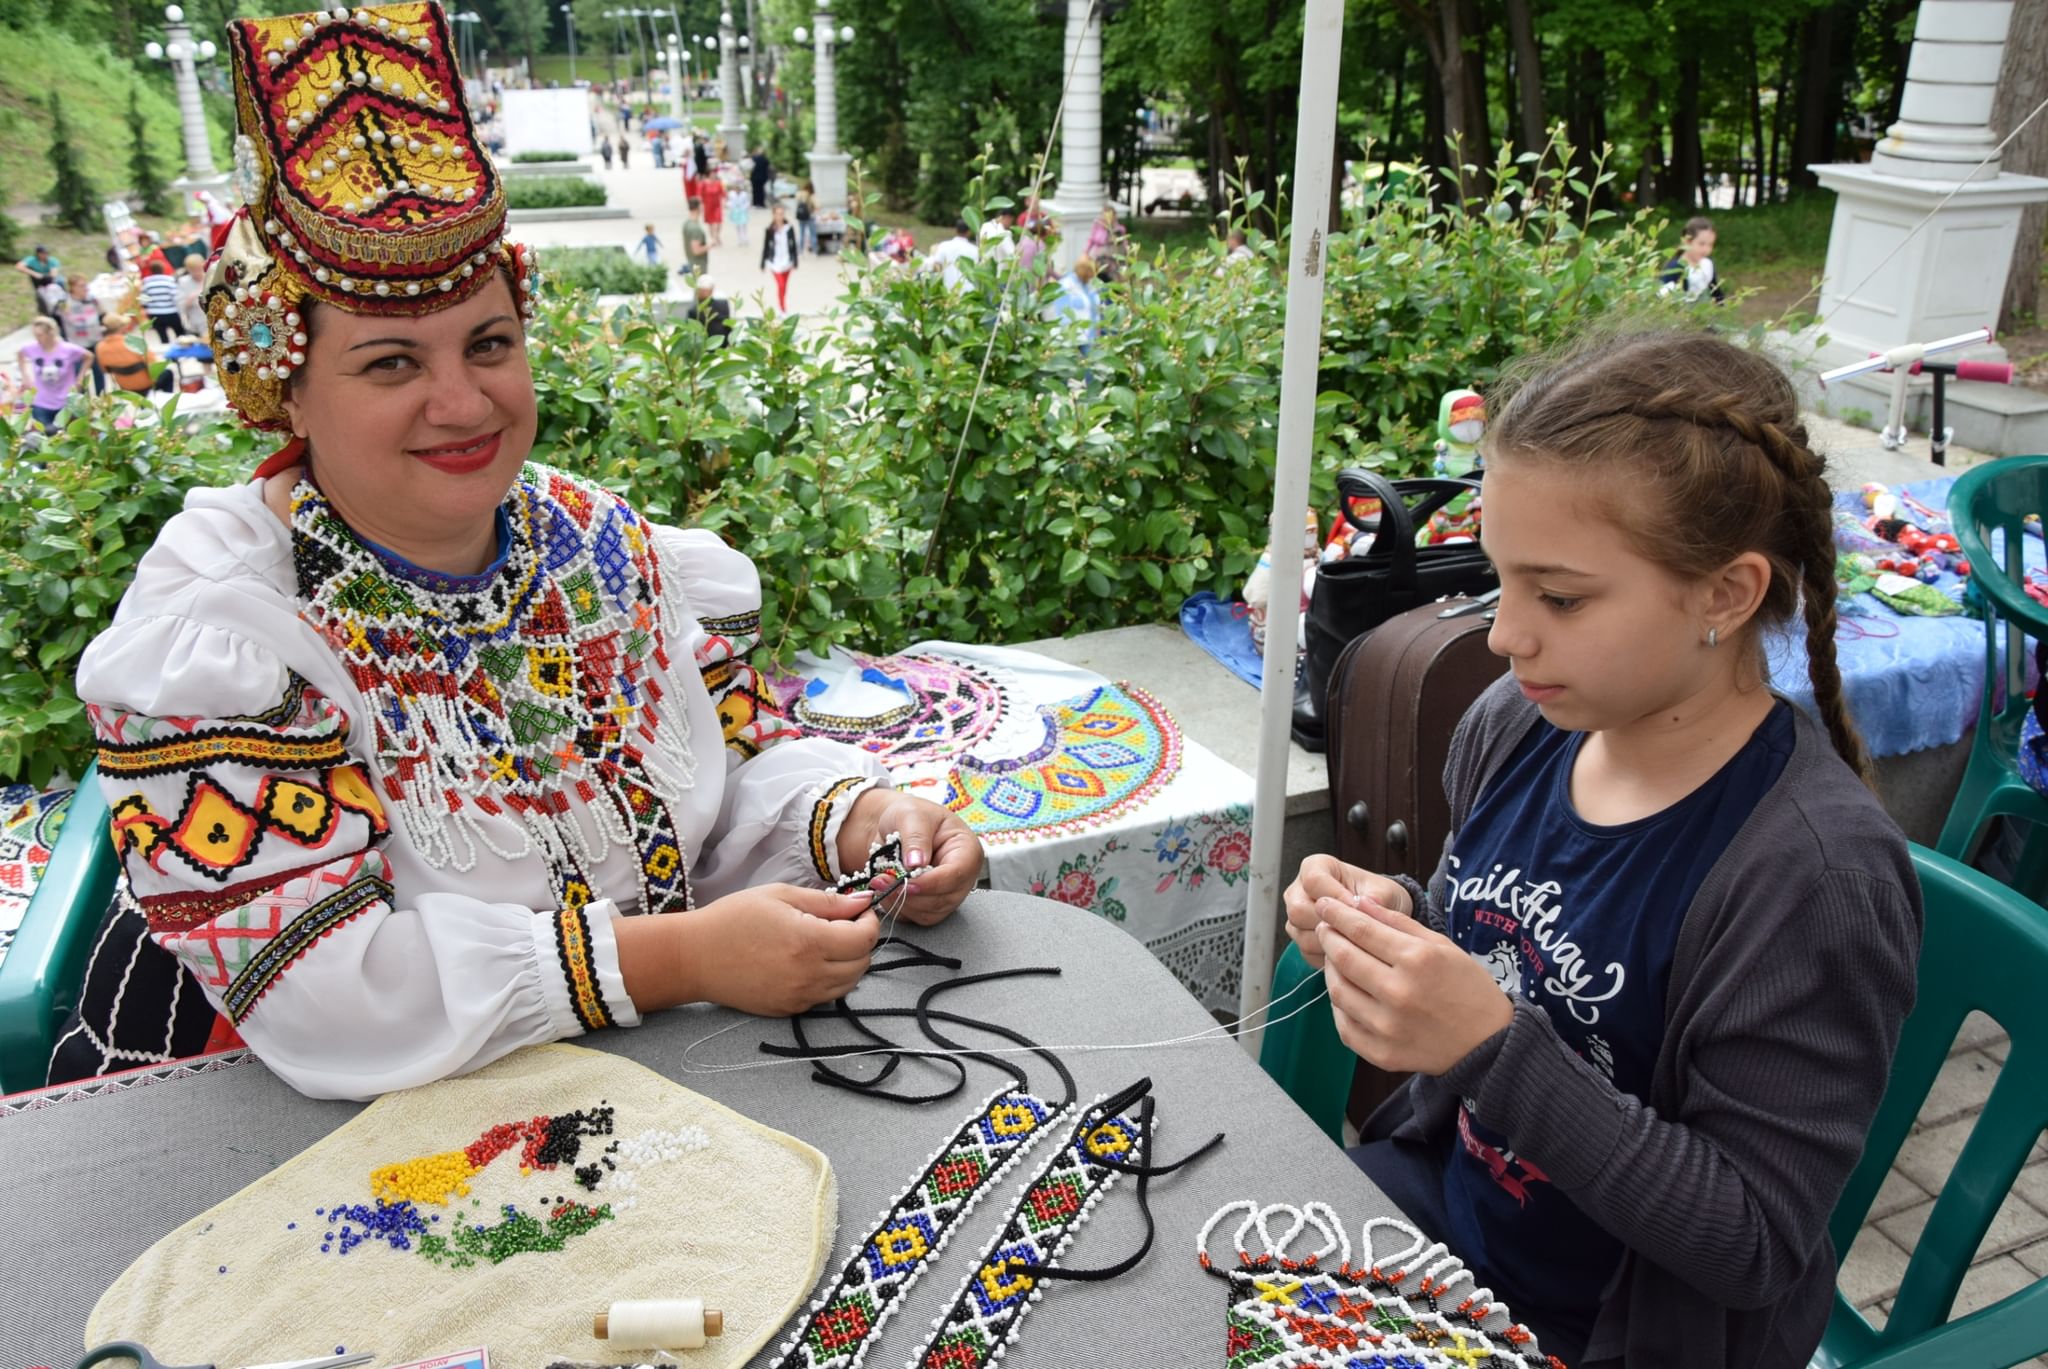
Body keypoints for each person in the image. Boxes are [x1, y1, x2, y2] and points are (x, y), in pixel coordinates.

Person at [52, 0, 981, 1102]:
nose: (462, 401)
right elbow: (317, 992)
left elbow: (716, 791)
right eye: (391, 364)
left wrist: (858, 822)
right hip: (300, 1127)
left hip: (614, 1085)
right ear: (282, 386)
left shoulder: (600, 545)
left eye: (489, 345)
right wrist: (679, 958)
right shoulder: (228, 632)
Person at [1284, 328, 1921, 1367]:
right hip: (1450, 1220)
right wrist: (1390, 918)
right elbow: (1487, 929)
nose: (1502, 635)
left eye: (1560, 597)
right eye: (1500, 581)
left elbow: (1752, 1238)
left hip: (1624, 1333)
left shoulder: (1812, 879)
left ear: (1724, 593)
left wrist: (1488, 1046)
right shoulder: (1515, 725)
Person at [15, 316, 91, 428]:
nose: (38, 338)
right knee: (44, 435)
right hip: (41, 401)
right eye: (35, 335)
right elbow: (20, 354)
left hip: (66, 401)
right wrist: (25, 376)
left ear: (51, 333)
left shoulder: (68, 349)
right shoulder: (32, 348)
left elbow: (89, 357)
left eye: (40, 335)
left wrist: (80, 377)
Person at [95, 313, 172, 393]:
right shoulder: (134, 343)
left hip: (124, 386)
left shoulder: (100, 347)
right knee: (168, 373)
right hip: (146, 384)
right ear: (122, 327)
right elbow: (153, 366)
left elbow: (105, 370)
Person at [1658, 215, 1724, 304]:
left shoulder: (1707, 264)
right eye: (1701, 244)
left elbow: (1715, 290)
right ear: (1687, 241)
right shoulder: (1676, 267)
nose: (1706, 249)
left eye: (1710, 244)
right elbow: (1661, 296)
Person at [1048, 255, 1101, 351]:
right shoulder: (1066, 285)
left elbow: (1095, 311)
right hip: (1069, 339)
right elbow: (1062, 313)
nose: (1091, 277)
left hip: (1089, 337)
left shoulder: (1091, 286)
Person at [760, 202, 799, 312]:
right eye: (777, 214)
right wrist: (762, 263)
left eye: (781, 214)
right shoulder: (770, 230)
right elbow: (766, 246)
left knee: (784, 286)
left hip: (787, 261)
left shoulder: (789, 228)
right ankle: (782, 308)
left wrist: (795, 260)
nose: (779, 216)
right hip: (775, 261)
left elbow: (793, 245)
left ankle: (782, 303)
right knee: (780, 285)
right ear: (773, 215)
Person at [139, 259, 184, 344]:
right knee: (180, 334)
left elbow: (143, 301)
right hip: (171, 312)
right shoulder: (169, 281)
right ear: (162, 269)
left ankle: (168, 355)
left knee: (163, 337)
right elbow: (176, 297)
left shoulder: (146, 283)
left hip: (155, 314)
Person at [927, 218, 979, 289]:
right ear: (969, 232)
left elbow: (936, 265)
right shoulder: (975, 250)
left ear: (955, 230)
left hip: (950, 291)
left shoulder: (944, 246)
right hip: (969, 291)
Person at [16, 243, 59, 318]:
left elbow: (53, 274)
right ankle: (43, 312)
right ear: (38, 254)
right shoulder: (31, 260)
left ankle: (55, 310)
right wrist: (34, 273)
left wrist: (45, 277)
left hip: (50, 281)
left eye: (46, 253)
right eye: (43, 253)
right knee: (40, 296)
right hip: (38, 282)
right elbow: (19, 266)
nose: (45, 255)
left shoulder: (52, 261)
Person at [176, 252, 210, 336]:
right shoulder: (183, 282)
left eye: (199, 269)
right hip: (195, 321)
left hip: (211, 319)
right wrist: (191, 298)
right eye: (194, 270)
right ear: (188, 269)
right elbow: (180, 304)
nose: (197, 272)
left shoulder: (210, 278)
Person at [691, 273, 732, 342]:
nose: (700, 292)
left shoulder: (695, 310)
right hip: (707, 347)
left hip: (716, 345)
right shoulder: (694, 310)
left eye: (704, 290)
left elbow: (728, 326)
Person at [681, 200, 711, 280]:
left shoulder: (687, 223)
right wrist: (710, 245)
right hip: (698, 265)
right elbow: (696, 251)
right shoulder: (695, 228)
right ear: (699, 208)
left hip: (691, 262)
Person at [700, 168, 725, 245]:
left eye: (714, 174)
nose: (713, 175)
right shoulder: (704, 183)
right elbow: (699, 194)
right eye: (711, 174)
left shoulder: (718, 183)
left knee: (718, 222)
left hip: (717, 205)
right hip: (708, 205)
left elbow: (723, 193)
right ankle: (713, 238)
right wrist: (701, 205)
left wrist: (726, 201)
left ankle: (717, 235)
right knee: (711, 223)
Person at [726, 172, 750, 247]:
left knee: (744, 224)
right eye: (736, 188)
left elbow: (747, 202)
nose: (737, 189)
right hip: (735, 210)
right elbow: (729, 201)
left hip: (742, 210)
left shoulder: (744, 194)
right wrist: (731, 206)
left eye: (738, 188)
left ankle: (745, 237)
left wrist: (745, 207)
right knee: (737, 225)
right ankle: (739, 238)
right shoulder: (731, 194)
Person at [795, 180, 818, 255]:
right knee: (812, 234)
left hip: (801, 216)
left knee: (801, 234)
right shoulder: (811, 195)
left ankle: (800, 251)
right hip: (810, 216)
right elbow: (817, 206)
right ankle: (814, 250)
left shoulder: (799, 194)